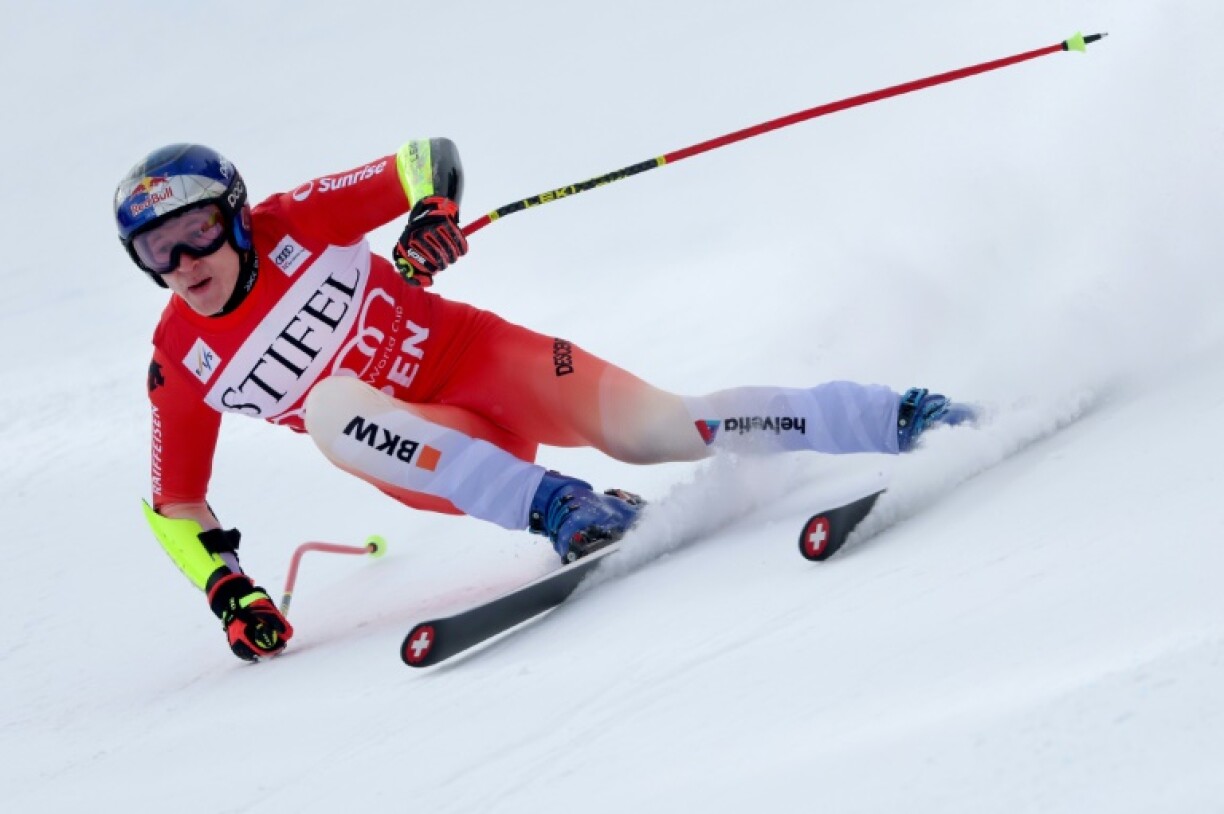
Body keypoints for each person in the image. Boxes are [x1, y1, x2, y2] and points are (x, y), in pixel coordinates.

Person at [114, 141, 976, 662]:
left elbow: (422, 155)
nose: (182, 260)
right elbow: (174, 502)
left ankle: (893, 416)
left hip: (485, 360)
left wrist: (431, 211)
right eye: (155, 248)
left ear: (231, 215)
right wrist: (231, 594)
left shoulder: (292, 221)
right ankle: (562, 508)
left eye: (194, 229)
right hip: (430, 450)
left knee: (662, 428)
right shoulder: (178, 360)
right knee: (334, 407)